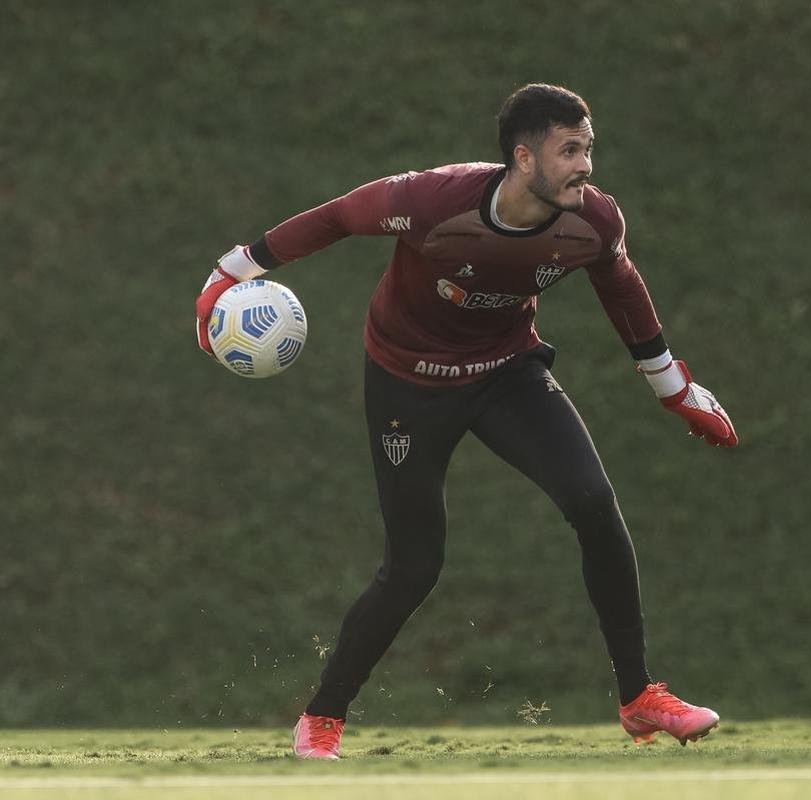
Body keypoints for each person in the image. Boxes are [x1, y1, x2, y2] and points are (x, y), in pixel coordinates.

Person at [194, 83, 737, 760]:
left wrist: (673, 388)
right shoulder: (428, 202)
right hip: (406, 384)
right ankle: (322, 718)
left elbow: (619, 283)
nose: (586, 165)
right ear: (523, 156)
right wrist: (227, 272)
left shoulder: (591, 221)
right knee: (415, 564)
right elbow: (335, 218)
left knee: (594, 502)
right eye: (570, 150)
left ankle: (639, 699)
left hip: (507, 373)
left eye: (589, 148)